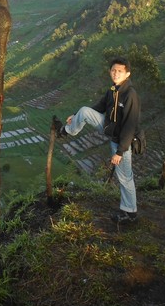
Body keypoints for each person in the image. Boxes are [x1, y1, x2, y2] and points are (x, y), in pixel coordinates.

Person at [54, 57, 141, 224]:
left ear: (127, 74)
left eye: (120, 71)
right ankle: (64, 131)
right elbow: (98, 107)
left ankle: (130, 213)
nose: (115, 73)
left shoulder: (130, 95)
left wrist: (120, 152)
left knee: (124, 176)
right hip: (110, 129)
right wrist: (76, 115)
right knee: (85, 111)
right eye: (113, 70)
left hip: (123, 140)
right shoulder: (112, 90)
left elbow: (130, 125)